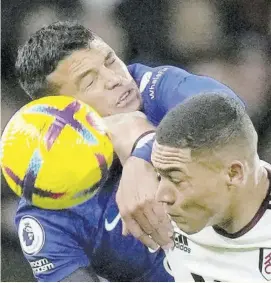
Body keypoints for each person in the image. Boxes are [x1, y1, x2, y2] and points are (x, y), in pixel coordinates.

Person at [14, 21, 244, 281]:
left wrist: (143, 152)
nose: (116, 79)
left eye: (111, 61)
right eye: (90, 82)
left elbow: (230, 110)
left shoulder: (151, 88)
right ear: (59, 112)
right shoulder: (49, 209)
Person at [146, 93, 271, 281]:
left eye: (176, 179)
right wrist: (136, 158)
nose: (161, 196)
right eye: (159, 176)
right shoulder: (160, 211)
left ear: (233, 174)